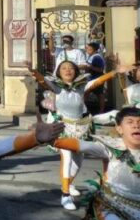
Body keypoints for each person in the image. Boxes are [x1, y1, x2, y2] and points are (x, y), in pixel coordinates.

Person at [27, 59, 128, 211]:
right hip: (63, 128)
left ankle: (68, 183)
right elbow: (43, 80)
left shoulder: (82, 87)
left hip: (82, 128)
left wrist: (115, 72)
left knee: (78, 162)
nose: (68, 70)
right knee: (67, 159)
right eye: (63, 68)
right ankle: (65, 195)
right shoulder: (56, 87)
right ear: (59, 73)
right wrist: (32, 69)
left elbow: (98, 81)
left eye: (71, 68)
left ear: (76, 71)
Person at [83, 42, 107, 113]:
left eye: (89, 49)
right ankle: (85, 109)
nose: (87, 50)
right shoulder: (91, 56)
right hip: (91, 78)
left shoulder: (97, 57)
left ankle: (101, 110)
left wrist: (89, 67)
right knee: (87, 93)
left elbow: (100, 69)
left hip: (96, 78)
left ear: (95, 50)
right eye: (87, 48)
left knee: (99, 94)